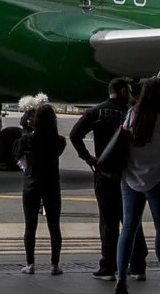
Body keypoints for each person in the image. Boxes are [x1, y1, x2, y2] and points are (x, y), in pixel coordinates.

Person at [106, 76, 160, 294]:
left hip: (130, 180)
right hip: (156, 180)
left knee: (128, 229)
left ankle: (121, 279)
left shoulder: (131, 115)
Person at [69, 79, 147, 282]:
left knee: (108, 220)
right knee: (131, 220)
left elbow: (75, 134)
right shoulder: (133, 113)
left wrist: (88, 158)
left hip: (104, 172)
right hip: (129, 173)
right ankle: (138, 265)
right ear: (122, 91)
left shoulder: (96, 111)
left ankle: (108, 266)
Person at [16, 94, 65, 273]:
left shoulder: (28, 139)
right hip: (52, 184)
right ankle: (55, 265)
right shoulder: (59, 141)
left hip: (31, 183)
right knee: (54, 226)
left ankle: (30, 264)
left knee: (30, 225)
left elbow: (17, 153)